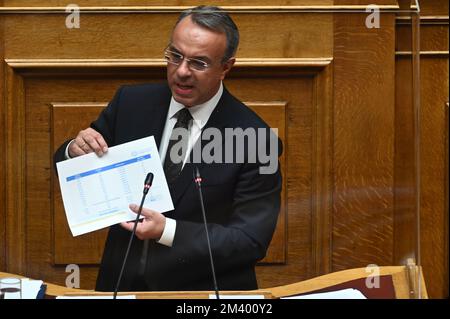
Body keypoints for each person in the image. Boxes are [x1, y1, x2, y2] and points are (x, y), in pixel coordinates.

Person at [54, 5, 282, 291]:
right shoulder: (131, 103)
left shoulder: (255, 139)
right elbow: (71, 165)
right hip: (122, 285)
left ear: (226, 67)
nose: (182, 72)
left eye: (199, 63)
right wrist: (73, 150)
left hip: (202, 292)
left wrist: (168, 231)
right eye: (175, 56)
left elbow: (250, 240)